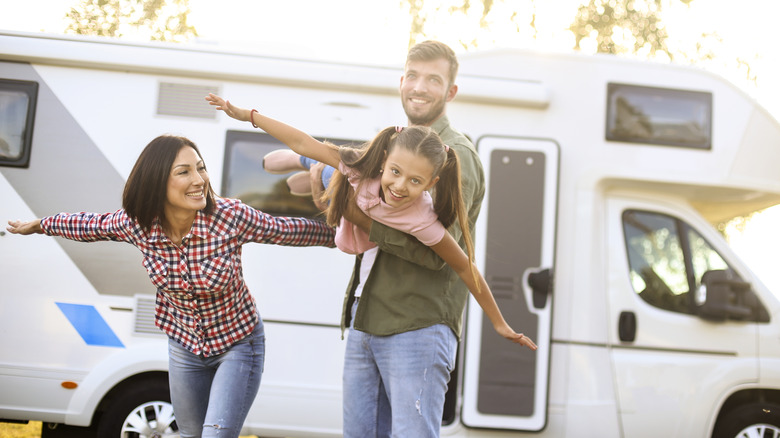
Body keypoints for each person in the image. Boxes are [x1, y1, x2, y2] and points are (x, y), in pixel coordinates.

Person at [207, 40, 536, 437]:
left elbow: (441, 256)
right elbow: (307, 143)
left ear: (450, 92)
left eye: (433, 79)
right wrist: (251, 116)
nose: (419, 86)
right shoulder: (390, 151)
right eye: (412, 75)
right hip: (368, 315)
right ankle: (312, 173)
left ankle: (315, 173)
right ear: (401, 82)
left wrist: (499, 322)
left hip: (416, 323)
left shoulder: (455, 157)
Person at [5, 134, 335, 438]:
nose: (199, 180)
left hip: (238, 344)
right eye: (184, 172)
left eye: (201, 168)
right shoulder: (138, 225)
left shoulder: (229, 217)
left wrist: (350, 236)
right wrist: (40, 225)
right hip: (185, 347)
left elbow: (289, 230)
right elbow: (91, 224)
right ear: (157, 182)